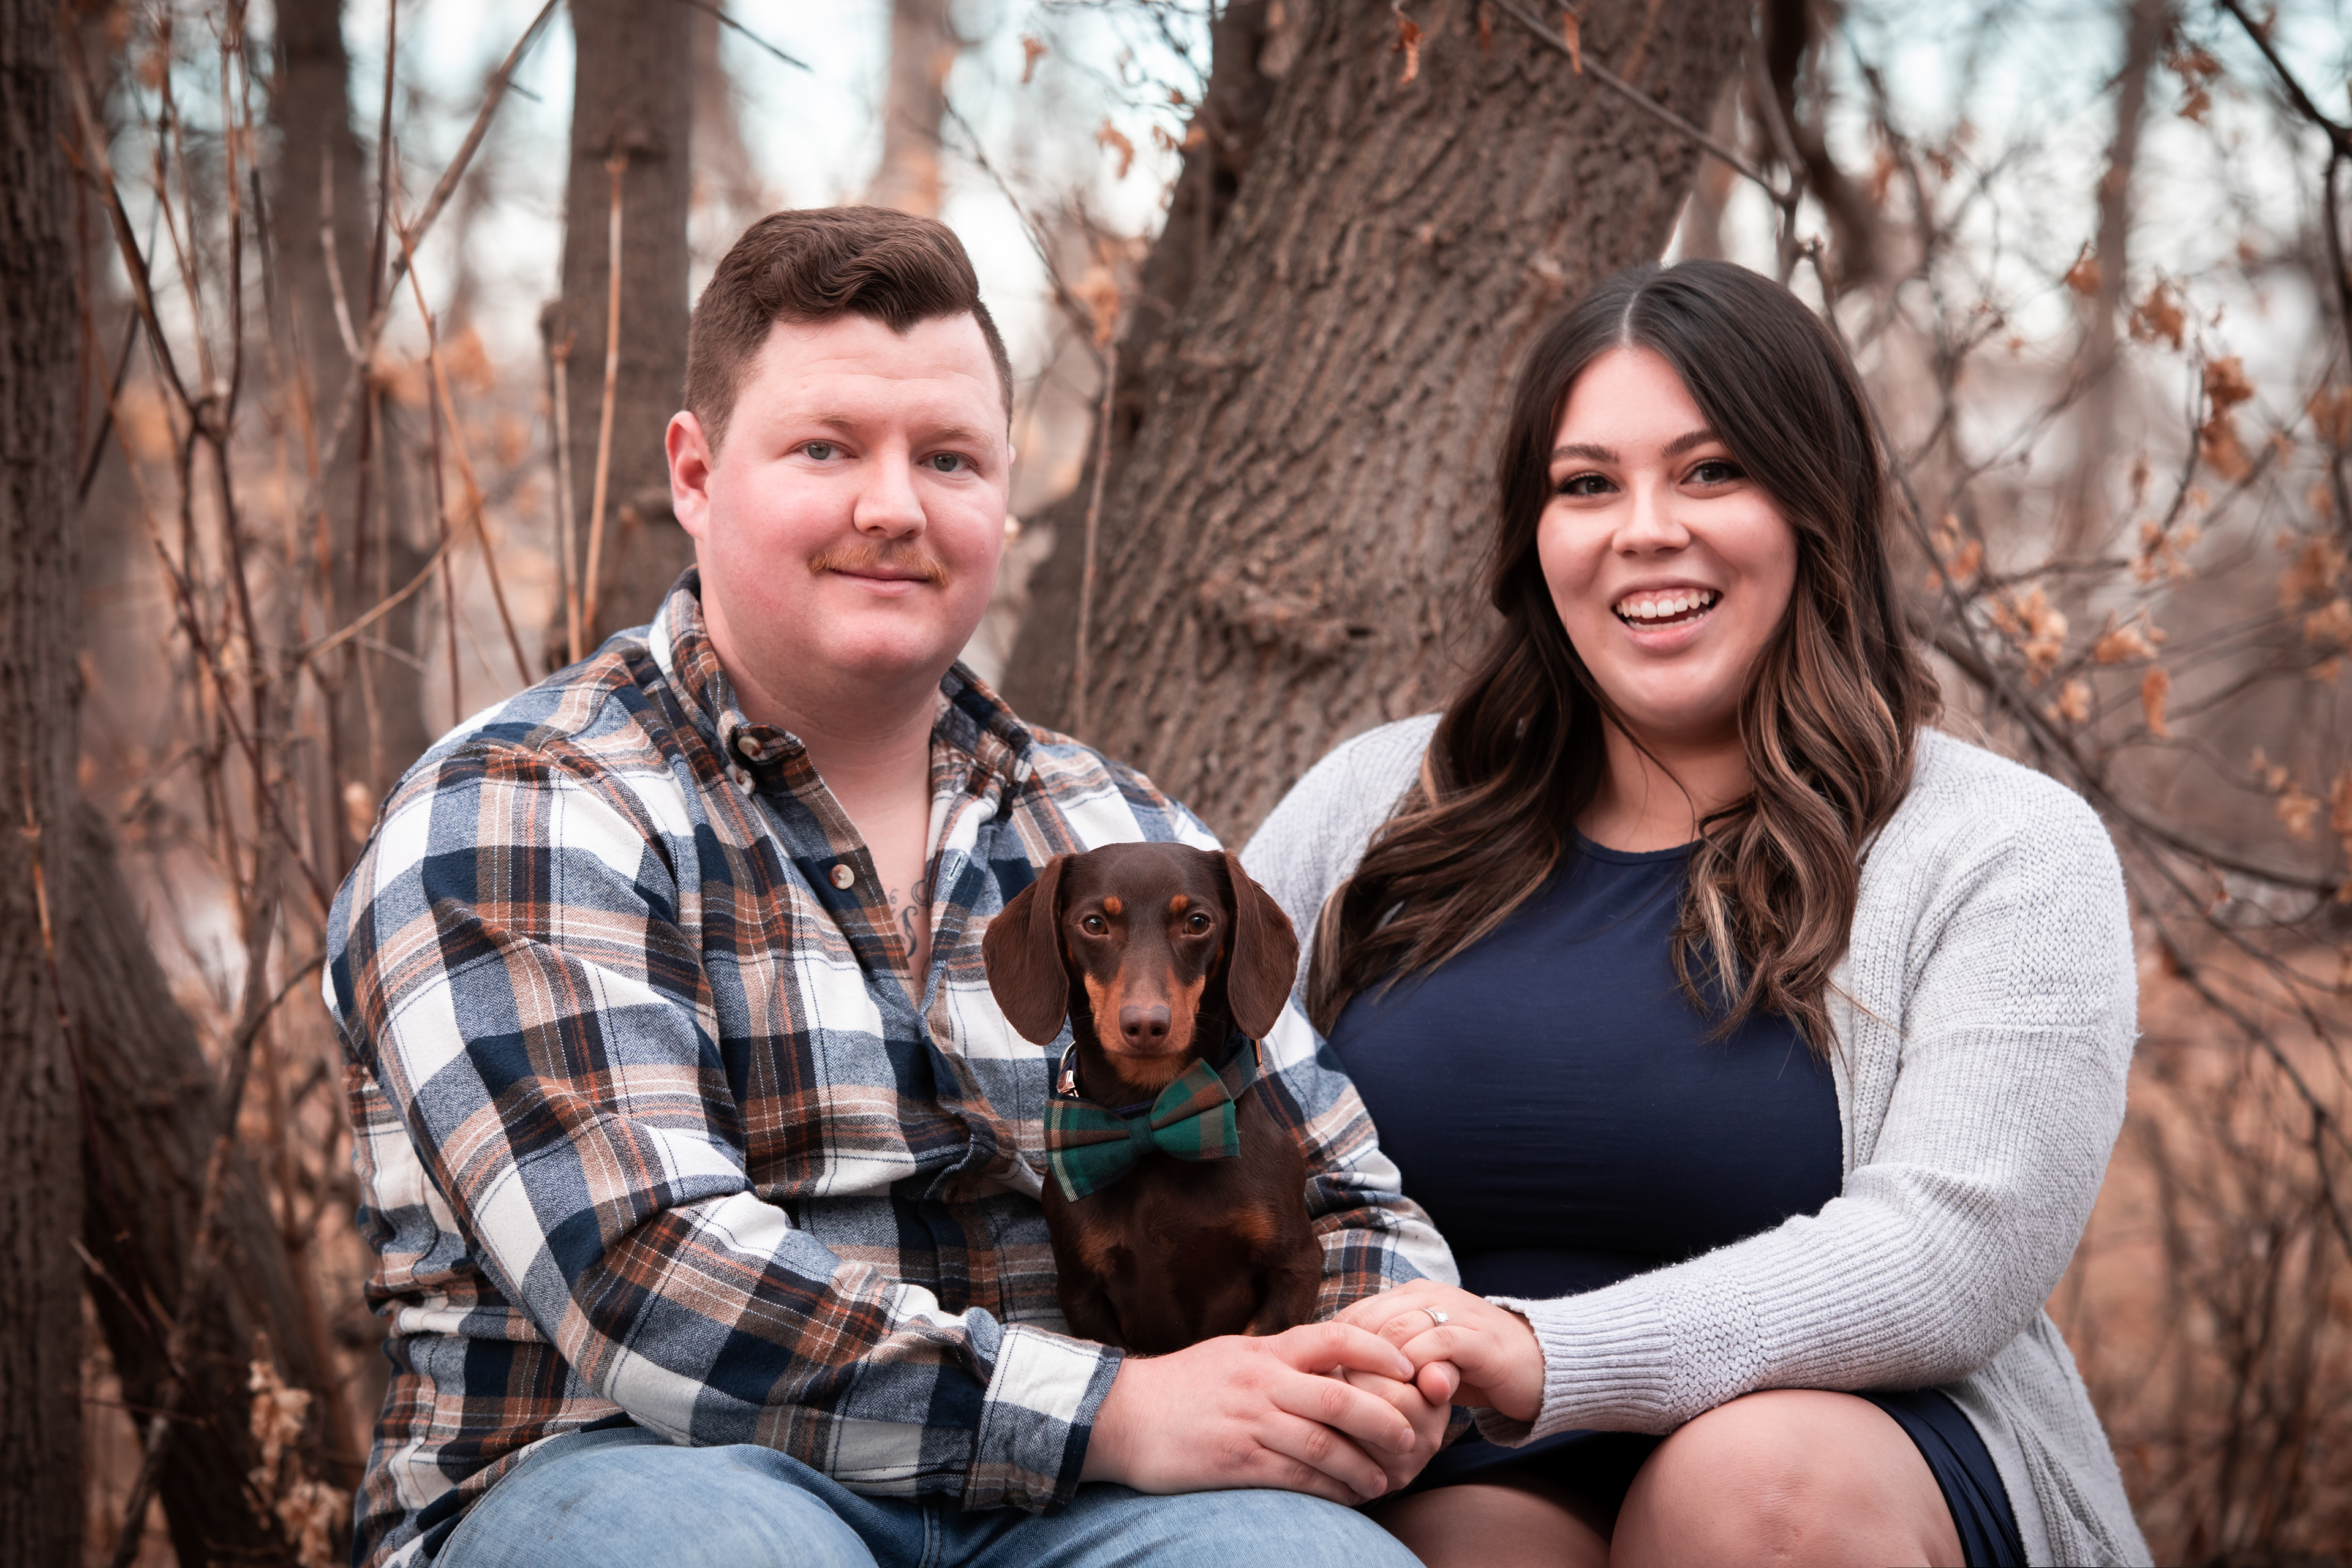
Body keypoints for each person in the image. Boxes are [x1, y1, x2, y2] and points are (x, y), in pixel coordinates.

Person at [324, 206, 1458, 1568]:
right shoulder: (524, 806)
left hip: (1083, 1508)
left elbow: (1353, 1204)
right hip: (634, 1471)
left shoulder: (1110, 827)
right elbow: (644, 1273)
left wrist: (1372, 1374)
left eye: (949, 457)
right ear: (695, 471)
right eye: (825, 447)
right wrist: (1109, 1407)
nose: (894, 505)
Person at [1242, 260, 2149, 1567]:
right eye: (1587, 483)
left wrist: (1553, 1351)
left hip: (1849, 1459)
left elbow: (1954, 1253)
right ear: (1533, 533)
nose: (1645, 529)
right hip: (1456, 1450)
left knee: (1749, 1491)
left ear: (1812, 505)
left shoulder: (1999, 846)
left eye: (1711, 471)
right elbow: (1192, 1109)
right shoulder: (1376, 803)